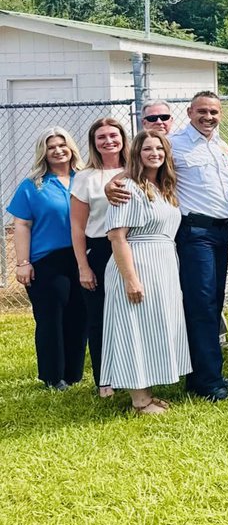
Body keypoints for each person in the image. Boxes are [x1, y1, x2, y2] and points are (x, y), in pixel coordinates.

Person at [101, 131, 192, 414]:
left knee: (152, 327)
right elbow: (117, 237)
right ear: (136, 154)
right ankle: (139, 402)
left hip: (162, 264)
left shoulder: (163, 187)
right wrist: (131, 279)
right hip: (137, 264)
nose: (154, 154)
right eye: (147, 149)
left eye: (159, 149)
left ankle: (147, 394)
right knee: (134, 328)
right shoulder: (127, 187)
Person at [166, 91, 228, 402]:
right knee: (203, 305)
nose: (208, 117)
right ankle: (208, 382)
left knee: (212, 304)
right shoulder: (174, 145)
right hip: (194, 233)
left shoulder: (222, 147)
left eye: (214, 112)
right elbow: (150, 176)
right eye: (202, 111)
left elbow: (223, 189)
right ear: (189, 111)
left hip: (221, 233)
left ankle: (205, 374)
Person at [7, 127, 86, 391]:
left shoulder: (84, 178)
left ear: (71, 147)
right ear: (43, 152)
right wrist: (23, 262)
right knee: (51, 318)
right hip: (48, 260)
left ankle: (74, 374)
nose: (58, 150)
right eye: (51, 146)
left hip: (82, 257)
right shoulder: (33, 185)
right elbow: (21, 225)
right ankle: (53, 377)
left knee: (79, 316)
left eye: (62, 144)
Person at [70, 118, 130, 397]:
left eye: (113, 135)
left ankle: (131, 373)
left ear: (123, 138)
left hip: (134, 247)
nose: (108, 141)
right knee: (100, 317)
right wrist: (83, 266)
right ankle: (104, 378)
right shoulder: (85, 177)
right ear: (94, 143)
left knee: (131, 315)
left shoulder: (136, 170)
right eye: (101, 137)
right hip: (101, 249)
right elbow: (78, 227)